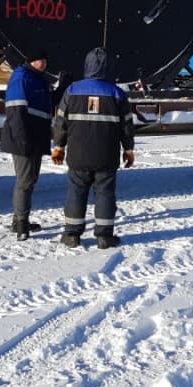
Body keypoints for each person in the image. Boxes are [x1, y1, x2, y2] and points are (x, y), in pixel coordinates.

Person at [51, 47, 135, 249]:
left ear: (87, 65)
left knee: (76, 193)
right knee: (105, 193)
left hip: (78, 155)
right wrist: (129, 150)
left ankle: (71, 234)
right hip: (106, 155)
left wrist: (59, 146)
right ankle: (104, 236)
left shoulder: (72, 90)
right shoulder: (117, 93)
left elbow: (60, 122)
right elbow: (127, 126)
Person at [0, 47, 71, 241]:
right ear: (31, 61)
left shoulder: (38, 78)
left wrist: (62, 88)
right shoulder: (21, 78)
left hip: (36, 137)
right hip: (24, 139)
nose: (44, 64)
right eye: (41, 60)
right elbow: (15, 111)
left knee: (30, 180)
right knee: (25, 181)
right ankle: (21, 225)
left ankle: (19, 219)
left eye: (45, 61)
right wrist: (22, 139)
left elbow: (48, 103)